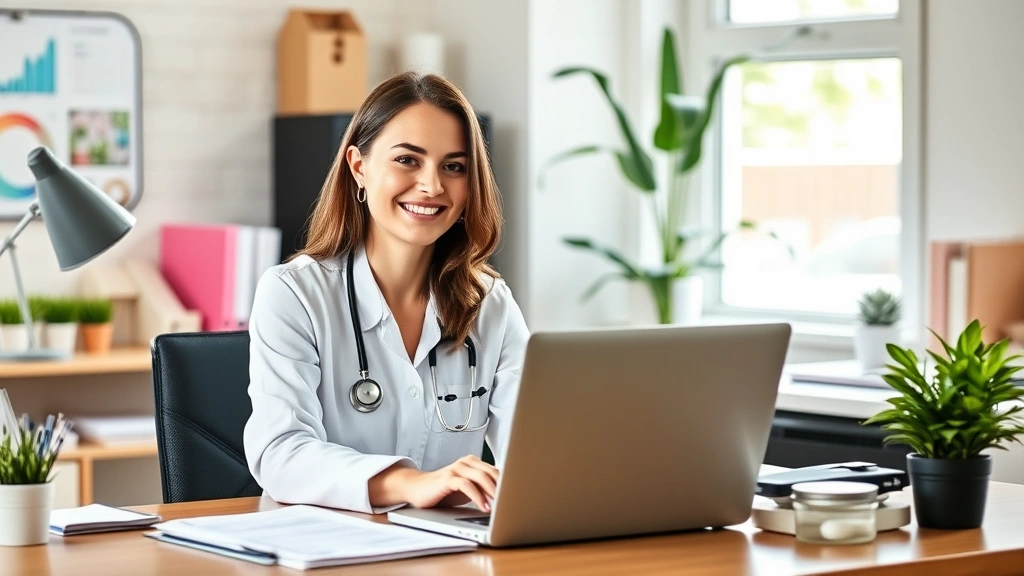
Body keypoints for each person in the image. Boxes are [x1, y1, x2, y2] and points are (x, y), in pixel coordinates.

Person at [243, 72, 529, 515]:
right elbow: (280, 454)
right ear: (359, 167)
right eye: (408, 161)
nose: (432, 186)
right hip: (328, 552)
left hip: (449, 553)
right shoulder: (293, 294)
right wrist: (411, 483)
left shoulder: (490, 304)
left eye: (454, 166)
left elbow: (533, 453)